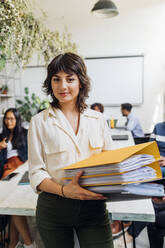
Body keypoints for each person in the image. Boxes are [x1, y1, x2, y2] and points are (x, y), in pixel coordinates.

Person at [28, 52, 114, 248]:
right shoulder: (39, 122)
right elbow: (36, 172)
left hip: (93, 207)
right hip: (54, 208)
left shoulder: (97, 119)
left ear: (81, 82)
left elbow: (111, 160)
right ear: (50, 83)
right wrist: (65, 191)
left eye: (70, 79)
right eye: (56, 79)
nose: (62, 86)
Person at [0, 108, 37, 248]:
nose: (8, 121)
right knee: (12, 207)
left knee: (13, 206)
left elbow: (30, 154)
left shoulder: (25, 134)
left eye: (11, 119)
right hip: (7, 170)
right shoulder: (1, 136)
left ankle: (17, 244)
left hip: (22, 168)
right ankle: (27, 244)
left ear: (17, 119)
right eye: (6, 119)